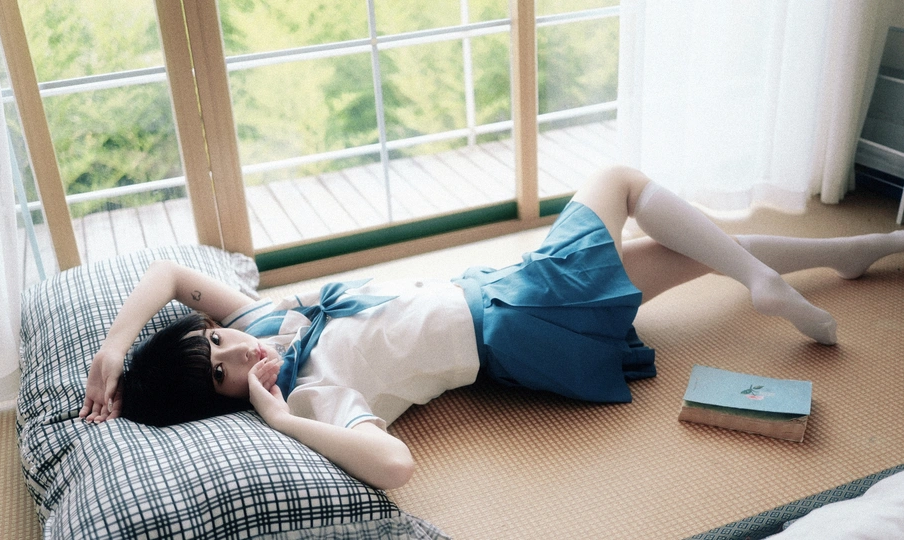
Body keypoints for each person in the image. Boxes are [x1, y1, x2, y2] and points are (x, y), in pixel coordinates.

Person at [80, 165, 904, 490]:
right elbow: (395, 465)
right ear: (225, 399)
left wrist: (115, 349)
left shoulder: (258, 319)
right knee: (620, 179)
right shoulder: (312, 394)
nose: (237, 348)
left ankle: (852, 252)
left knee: (680, 254)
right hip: (518, 318)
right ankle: (766, 278)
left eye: (214, 339)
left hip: (501, 289)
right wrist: (281, 417)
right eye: (223, 369)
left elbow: (171, 275)